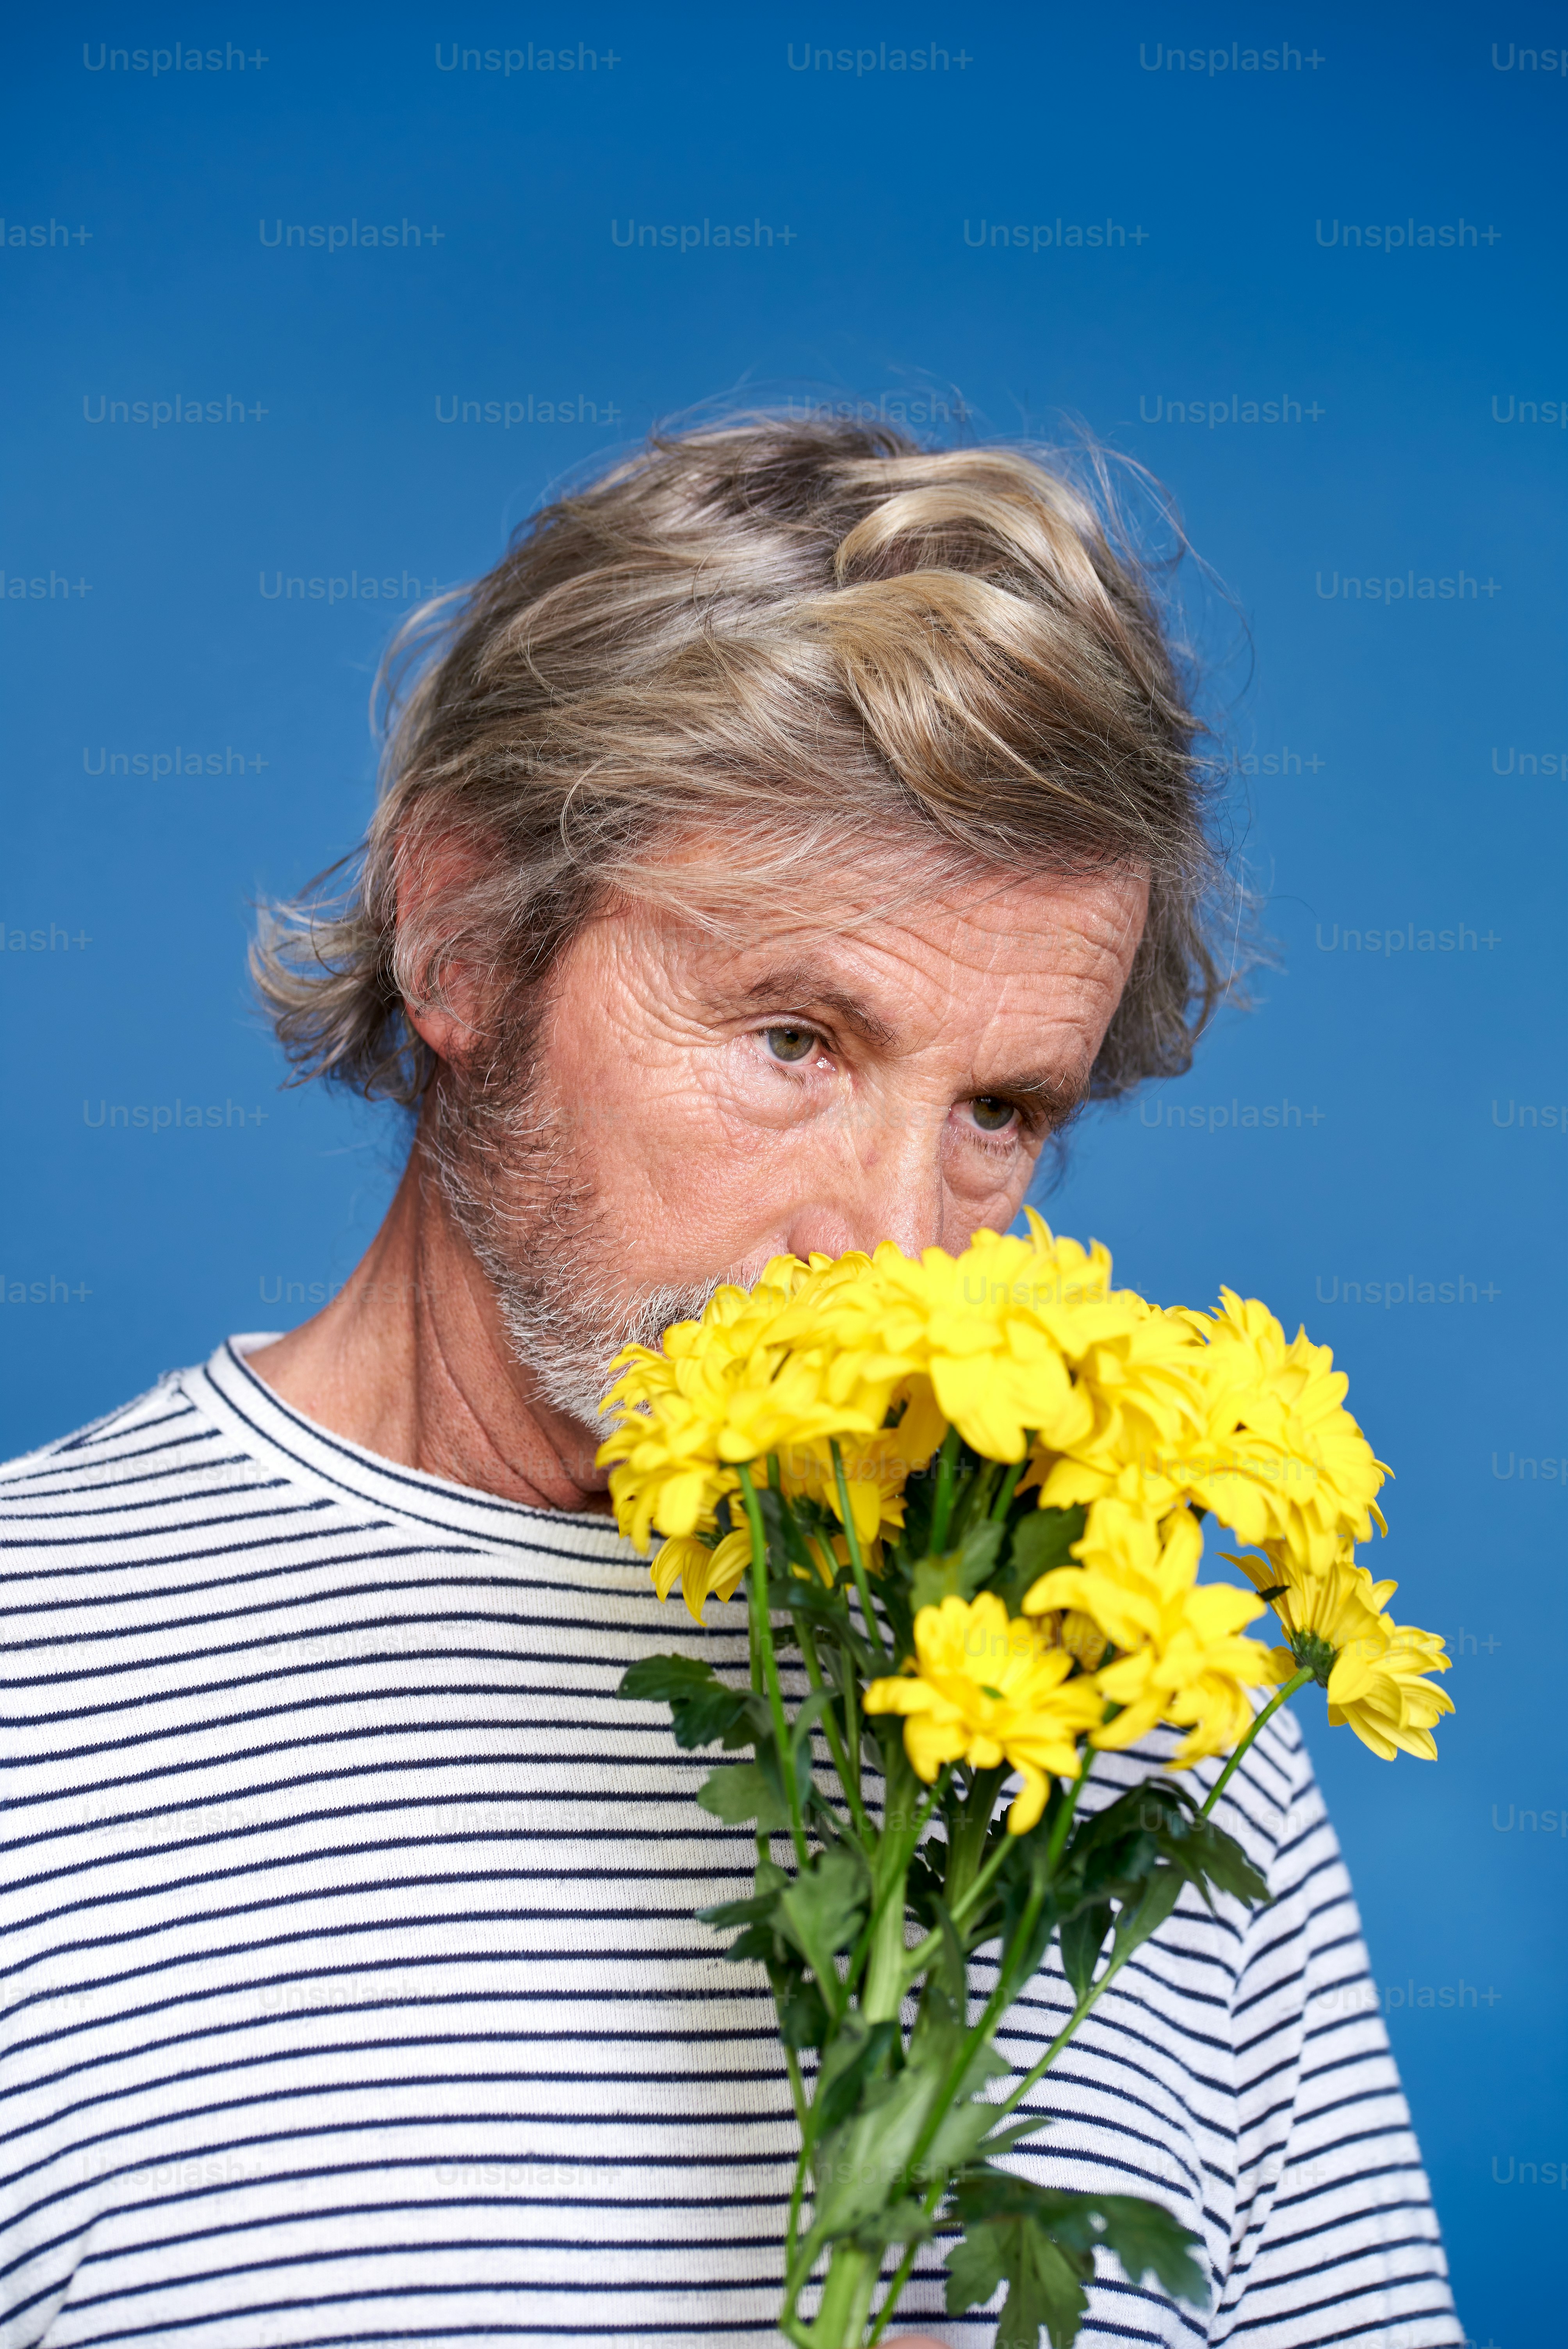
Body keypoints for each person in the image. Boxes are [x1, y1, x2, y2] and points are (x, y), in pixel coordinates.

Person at [0, 420, 1461, 2349]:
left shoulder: (1140, 1707)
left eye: (999, 1109)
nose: (888, 1252)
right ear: (459, 928)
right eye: (793, 1035)